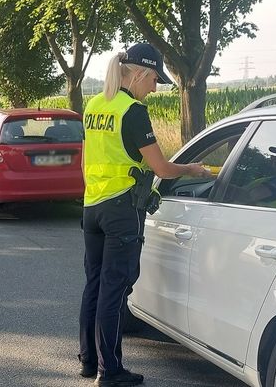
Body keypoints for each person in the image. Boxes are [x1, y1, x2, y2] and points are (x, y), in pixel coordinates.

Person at [78, 43, 211, 387]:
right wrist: (192, 170)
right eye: (153, 80)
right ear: (139, 74)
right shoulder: (132, 111)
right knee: (114, 289)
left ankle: (89, 361)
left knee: (94, 284)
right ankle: (111, 372)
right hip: (122, 211)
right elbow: (162, 168)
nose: (154, 88)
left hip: (92, 206)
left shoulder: (95, 105)